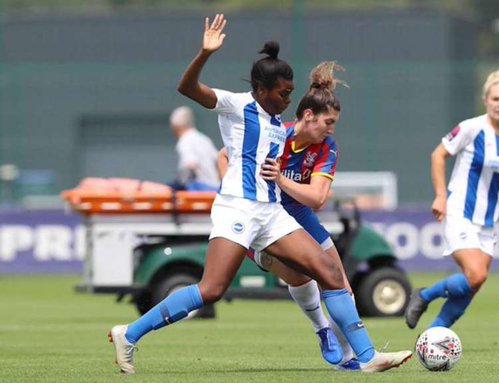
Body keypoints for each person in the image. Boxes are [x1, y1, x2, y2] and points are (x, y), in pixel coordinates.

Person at [107, 14, 411, 374]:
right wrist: (205, 53)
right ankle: (130, 333)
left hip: (269, 212)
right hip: (237, 209)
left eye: (290, 92)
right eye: (283, 93)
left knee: (328, 270)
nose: (287, 99)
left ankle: (366, 357)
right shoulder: (237, 105)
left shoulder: (278, 126)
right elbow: (187, 88)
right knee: (212, 289)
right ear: (261, 89)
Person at [217, 61, 359, 371]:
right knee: (301, 277)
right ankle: (321, 328)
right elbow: (224, 155)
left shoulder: (327, 147)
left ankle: (350, 359)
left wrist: (282, 180)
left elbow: (318, 198)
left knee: (341, 285)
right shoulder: (277, 134)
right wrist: (234, 194)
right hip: (267, 216)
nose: (332, 131)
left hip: (302, 218)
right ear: (309, 117)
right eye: (329, 122)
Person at [404, 70, 499, 330]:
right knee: (476, 274)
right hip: (460, 211)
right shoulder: (471, 128)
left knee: (475, 283)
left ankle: (434, 335)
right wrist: (440, 195)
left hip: (489, 221)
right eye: (496, 99)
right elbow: (438, 155)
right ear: (486, 100)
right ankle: (424, 296)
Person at [169, 105, 220, 191]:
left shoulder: (185, 141)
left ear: (176, 127)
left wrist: (175, 187)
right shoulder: (204, 139)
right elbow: (218, 162)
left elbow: (190, 165)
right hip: (215, 190)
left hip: (199, 193)